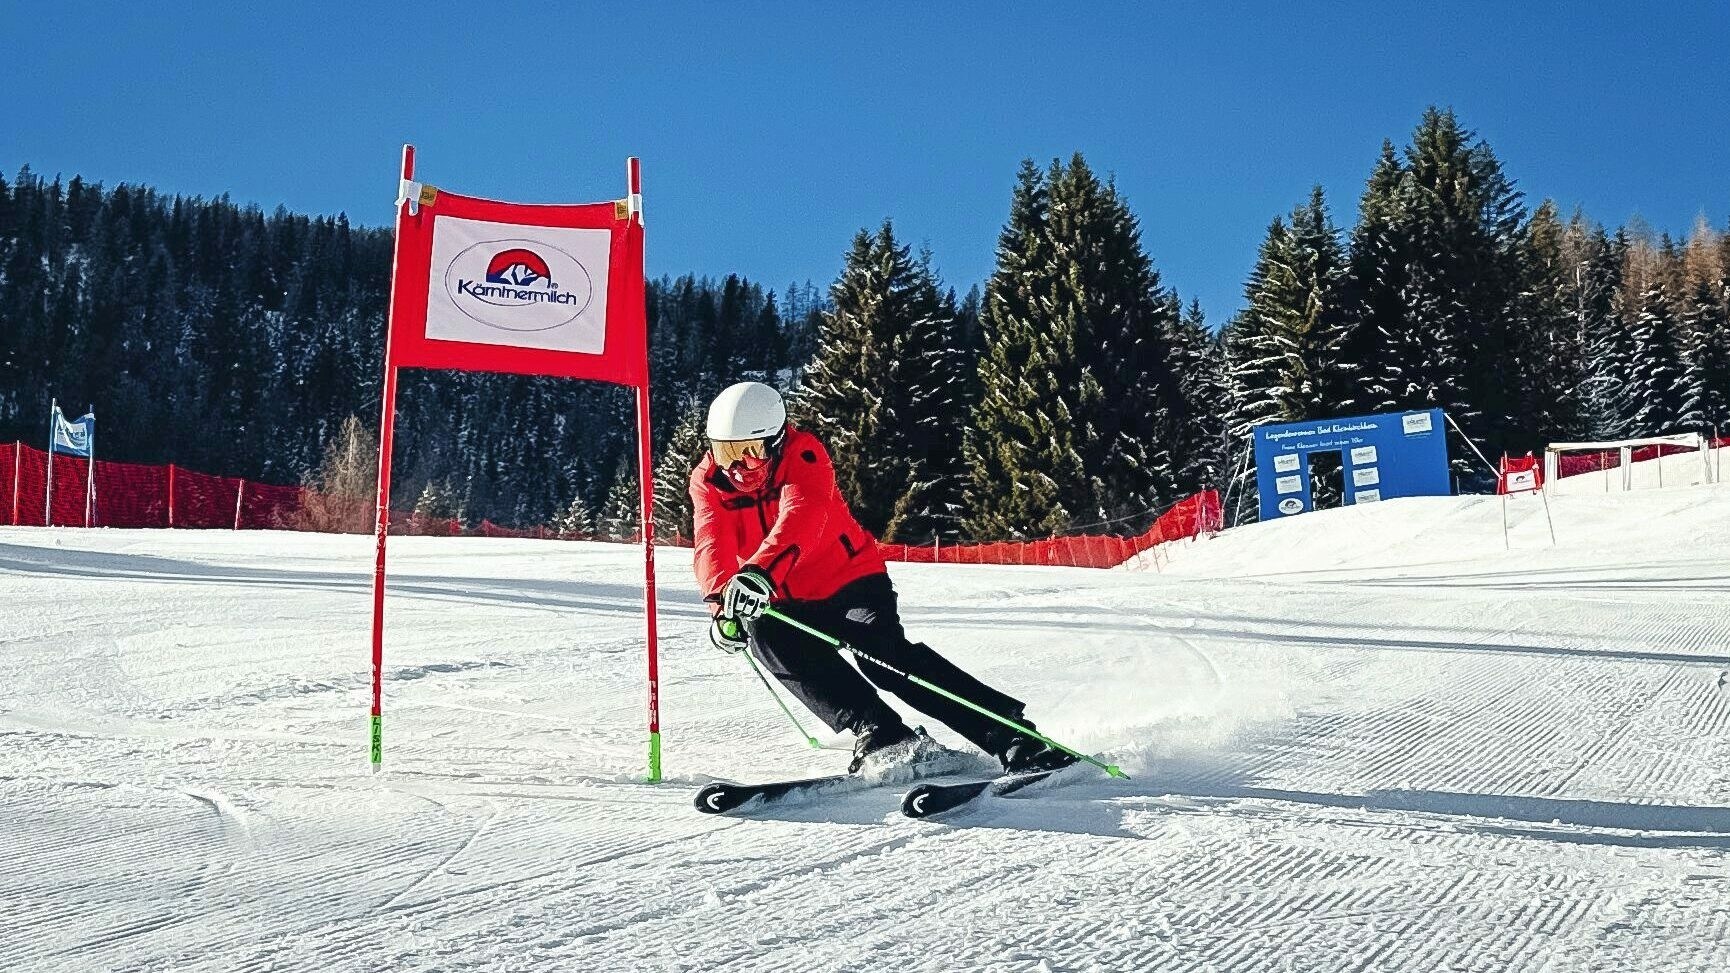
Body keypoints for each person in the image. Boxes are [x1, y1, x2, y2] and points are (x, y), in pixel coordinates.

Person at [690, 380, 1077, 776]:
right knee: (766, 636)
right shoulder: (708, 480)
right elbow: (710, 541)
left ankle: (1013, 737)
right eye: (726, 453)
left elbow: (802, 518)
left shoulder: (804, 455)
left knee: (883, 657)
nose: (737, 468)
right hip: (786, 598)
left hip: (851, 581)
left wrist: (759, 573)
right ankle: (883, 734)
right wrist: (723, 606)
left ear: (775, 441)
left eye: (750, 454)